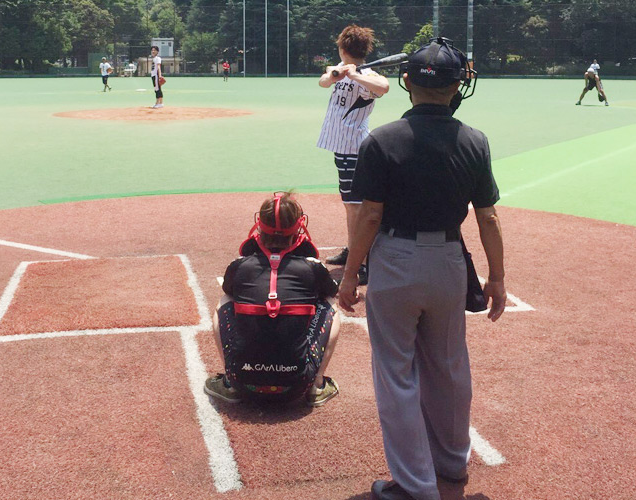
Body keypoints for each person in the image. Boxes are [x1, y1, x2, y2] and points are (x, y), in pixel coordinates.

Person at [337, 38, 507, 500]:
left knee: (396, 372)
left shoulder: (381, 139)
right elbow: (488, 217)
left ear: (407, 81)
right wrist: (496, 277)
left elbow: (369, 216)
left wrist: (351, 274)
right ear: (457, 87)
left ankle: (414, 485)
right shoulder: (474, 140)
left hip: (395, 261)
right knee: (449, 366)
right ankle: (451, 464)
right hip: (449, 262)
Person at [204, 192, 341, 407]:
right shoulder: (312, 267)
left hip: (244, 381)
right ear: (299, 226)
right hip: (297, 384)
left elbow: (229, 289)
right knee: (329, 305)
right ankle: (317, 385)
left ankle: (230, 383)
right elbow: (332, 291)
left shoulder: (239, 266)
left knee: (225, 300)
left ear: (259, 225)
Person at [317, 24, 389, 286]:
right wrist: (336, 74)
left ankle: (363, 261)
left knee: (355, 207)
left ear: (343, 48)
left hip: (354, 148)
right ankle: (352, 250)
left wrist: (355, 75)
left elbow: (384, 87)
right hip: (342, 147)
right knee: (350, 204)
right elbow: (324, 81)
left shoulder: (367, 75)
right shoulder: (340, 68)